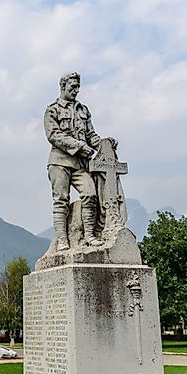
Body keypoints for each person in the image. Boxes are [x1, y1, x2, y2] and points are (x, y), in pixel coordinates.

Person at [44, 72, 117, 251]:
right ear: (63, 86)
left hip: (80, 164)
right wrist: (78, 146)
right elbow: (54, 135)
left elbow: (91, 135)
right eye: (72, 87)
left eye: (78, 87)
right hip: (59, 161)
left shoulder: (83, 110)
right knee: (61, 200)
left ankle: (90, 235)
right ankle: (62, 240)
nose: (76, 90)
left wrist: (104, 144)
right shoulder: (52, 110)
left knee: (90, 194)